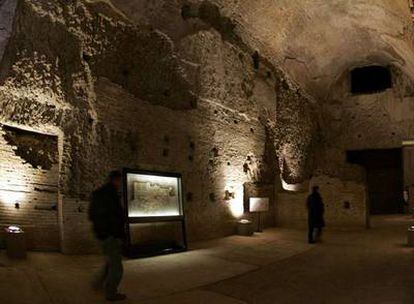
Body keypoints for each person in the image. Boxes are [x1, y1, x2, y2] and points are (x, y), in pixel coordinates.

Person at [89, 171, 126, 301]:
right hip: (110, 236)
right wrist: (112, 233)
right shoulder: (109, 195)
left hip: (105, 235)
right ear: (115, 180)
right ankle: (111, 293)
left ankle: (97, 283)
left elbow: (92, 215)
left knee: (110, 262)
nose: (120, 184)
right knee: (117, 268)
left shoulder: (101, 194)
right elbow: (113, 217)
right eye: (119, 181)